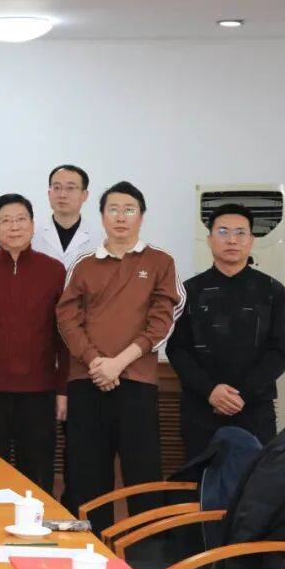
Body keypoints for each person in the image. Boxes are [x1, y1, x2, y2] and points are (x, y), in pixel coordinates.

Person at [56, 181, 185, 530]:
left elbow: (163, 320)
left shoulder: (160, 261)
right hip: (87, 380)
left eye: (129, 209)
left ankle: (146, 551)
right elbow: (66, 319)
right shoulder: (84, 264)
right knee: (86, 474)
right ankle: (91, 546)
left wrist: (118, 363)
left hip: (137, 382)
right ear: (101, 216)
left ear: (141, 216)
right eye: (113, 209)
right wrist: (96, 362)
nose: (121, 217)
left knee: (142, 472)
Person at [167, 203, 285, 459]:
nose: (232, 240)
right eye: (223, 232)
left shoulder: (272, 290)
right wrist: (210, 391)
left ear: (251, 240)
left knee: (255, 479)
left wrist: (242, 395)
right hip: (200, 407)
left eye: (240, 233)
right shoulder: (189, 291)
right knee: (200, 478)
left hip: (254, 408)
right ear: (209, 239)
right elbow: (177, 349)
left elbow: (279, 350)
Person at [0, 194, 69, 493]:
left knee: (36, 477)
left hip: (39, 392)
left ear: (33, 225)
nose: (14, 227)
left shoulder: (54, 270)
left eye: (21, 219)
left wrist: (62, 390)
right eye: (6, 221)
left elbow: (64, 337)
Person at [32, 164, 101, 271]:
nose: (62, 194)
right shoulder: (32, 235)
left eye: (70, 188)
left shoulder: (101, 239)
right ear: (49, 193)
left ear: (84, 195)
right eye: (57, 188)